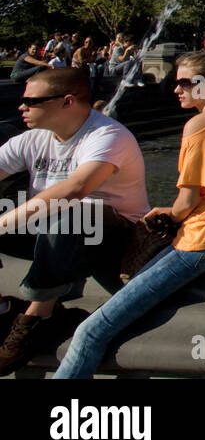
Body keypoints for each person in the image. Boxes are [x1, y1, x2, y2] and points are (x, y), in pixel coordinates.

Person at [53, 49, 205, 378]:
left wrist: (165, 214)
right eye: (174, 82)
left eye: (184, 83)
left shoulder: (200, 125)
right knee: (133, 317)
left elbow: (185, 205)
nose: (175, 89)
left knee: (91, 331)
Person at [0, 69, 149, 374]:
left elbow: (75, 189)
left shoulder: (107, 135)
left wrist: (3, 224)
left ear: (66, 102)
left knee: (75, 211)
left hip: (112, 237)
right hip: (55, 234)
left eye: (32, 101)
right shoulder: (32, 139)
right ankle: (4, 309)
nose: (21, 107)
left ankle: (38, 318)